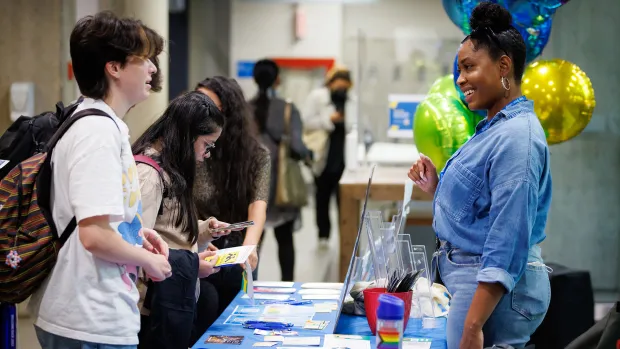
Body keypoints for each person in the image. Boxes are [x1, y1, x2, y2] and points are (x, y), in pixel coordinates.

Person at [408, 3, 552, 349]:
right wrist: (437, 188)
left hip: (490, 290)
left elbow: (508, 236)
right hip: (476, 284)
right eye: (459, 70)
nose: (460, 80)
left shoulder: (518, 137)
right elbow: (485, 208)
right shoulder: (495, 127)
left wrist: (473, 325)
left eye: (469, 67)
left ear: (504, 66)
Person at [29, 12, 171, 349]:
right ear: (115, 67)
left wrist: (137, 234)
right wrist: (148, 260)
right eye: (145, 58)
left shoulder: (96, 123)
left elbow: (94, 221)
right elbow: (93, 236)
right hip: (88, 318)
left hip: (89, 314)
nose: (153, 68)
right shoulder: (97, 131)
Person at [133, 91, 233, 348]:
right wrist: (192, 265)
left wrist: (204, 231)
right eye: (207, 145)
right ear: (187, 135)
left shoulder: (170, 169)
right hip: (151, 308)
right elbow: (135, 250)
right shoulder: (148, 175)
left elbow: (169, 231)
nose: (208, 154)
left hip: (172, 295)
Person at [252, 59, 312, 281]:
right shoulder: (288, 109)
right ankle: (288, 287)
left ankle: (250, 289)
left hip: (253, 185)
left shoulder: (245, 109)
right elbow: (297, 146)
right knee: (285, 240)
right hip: (280, 185)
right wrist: (308, 154)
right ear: (277, 80)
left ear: (254, 79)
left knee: (253, 241)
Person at [302, 66, 355, 249]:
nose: (341, 90)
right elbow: (307, 122)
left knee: (344, 202)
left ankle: (345, 235)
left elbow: (356, 124)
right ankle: (323, 234)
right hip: (323, 156)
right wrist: (329, 120)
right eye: (338, 86)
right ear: (331, 83)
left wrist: (346, 120)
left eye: (345, 87)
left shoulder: (351, 99)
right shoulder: (318, 97)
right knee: (322, 199)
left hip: (344, 158)